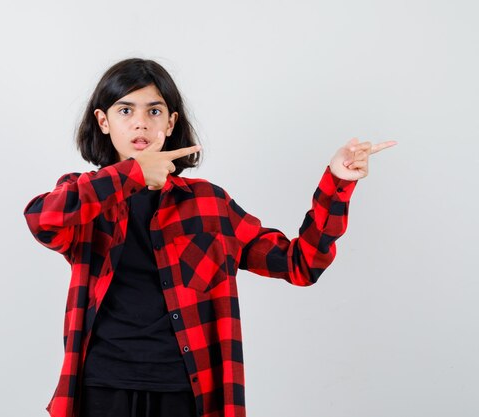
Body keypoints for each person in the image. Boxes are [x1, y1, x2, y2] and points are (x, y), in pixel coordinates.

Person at [23, 57, 397, 417]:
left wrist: (337, 184)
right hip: (102, 389)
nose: (140, 123)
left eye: (153, 111)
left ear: (170, 123)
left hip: (185, 392)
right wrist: (131, 175)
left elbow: (302, 264)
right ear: (103, 122)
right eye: (126, 111)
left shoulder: (208, 205)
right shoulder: (86, 195)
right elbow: (42, 220)